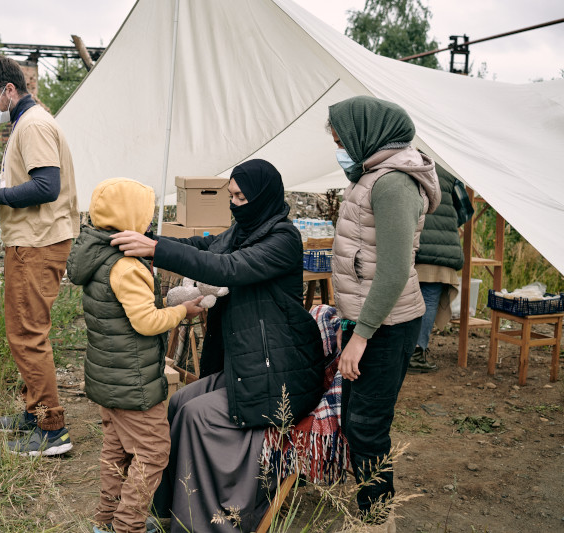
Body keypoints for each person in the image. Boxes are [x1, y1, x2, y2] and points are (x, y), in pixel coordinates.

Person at [111, 159, 325, 532]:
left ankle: (202, 522)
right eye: (232, 195)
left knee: (197, 415)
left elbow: (228, 268)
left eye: (242, 196)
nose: (235, 203)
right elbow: (205, 246)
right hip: (254, 364)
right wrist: (153, 243)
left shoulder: (282, 239)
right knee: (178, 402)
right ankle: (168, 510)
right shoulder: (243, 230)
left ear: (263, 196)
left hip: (281, 372)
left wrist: (156, 249)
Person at [327, 95, 441, 527]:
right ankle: (370, 512)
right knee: (357, 423)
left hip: (387, 325)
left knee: (367, 427)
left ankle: (378, 521)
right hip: (367, 319)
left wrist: (361, 335)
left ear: (365, 134)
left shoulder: (393, 184)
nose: (338, 147)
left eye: (341, 139)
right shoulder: (372, 176)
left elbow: (393, 271)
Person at [0, 56, 79, 456]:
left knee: (29, 333)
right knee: (21, 330)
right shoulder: (24, 124)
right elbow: (27, 180)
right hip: (30, 238)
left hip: (39, 241)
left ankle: (51, 429)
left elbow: (46, 186)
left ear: (8, 89)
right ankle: (33, 413)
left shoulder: (34, 124)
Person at [67, 178, 203, 533]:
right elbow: (144, 322)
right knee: (155, 451)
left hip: (108, 376)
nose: (150, 220)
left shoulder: (99, 254)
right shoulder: (126, 266)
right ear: (130, 216)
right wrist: (181, 312)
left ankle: (105, 522)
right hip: (134, 383)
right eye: (147, 213)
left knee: (115, 451)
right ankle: (128, 526)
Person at [410, 164, 465, 372]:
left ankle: (402, 351)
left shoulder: (408, 162)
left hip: (413, 244)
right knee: (430, 299)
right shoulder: (450, 168)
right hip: (443, 249)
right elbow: (466, 210)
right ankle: (417, 353)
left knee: (404, 299)